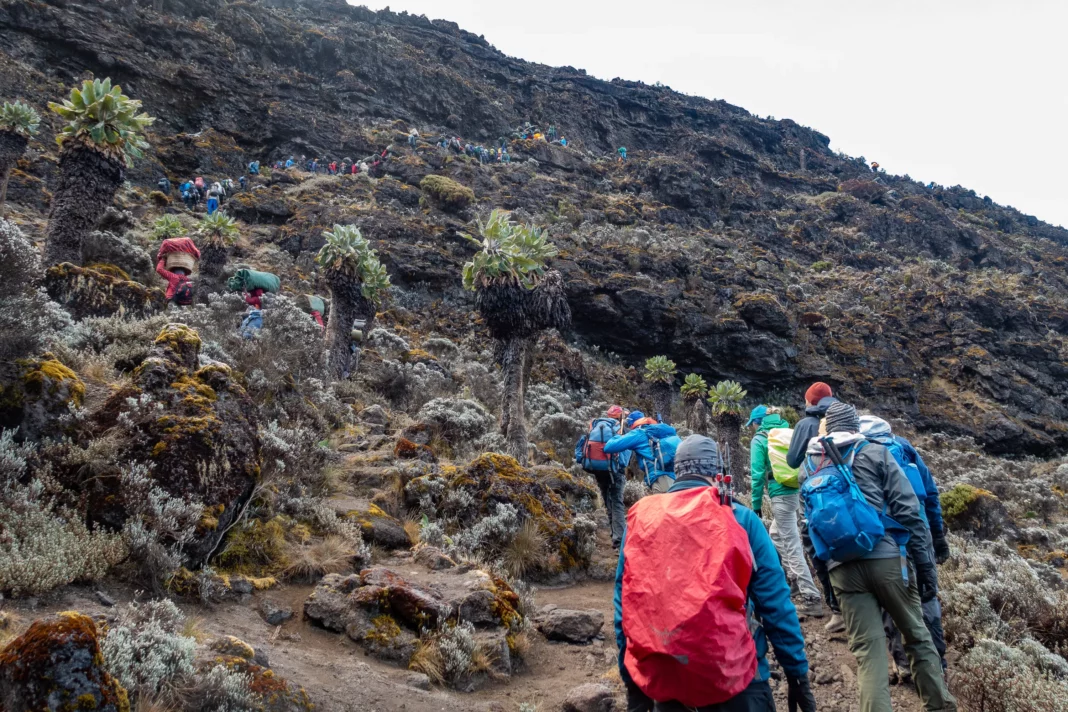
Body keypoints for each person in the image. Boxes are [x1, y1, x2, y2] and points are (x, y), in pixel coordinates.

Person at [616, 435, 816, 712]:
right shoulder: (742, 518)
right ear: (717, 473)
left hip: (666, 677)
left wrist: (633, 681)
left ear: (677, 471)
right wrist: (797, 675)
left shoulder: (640, 521)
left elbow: (625, 605)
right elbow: (775, 605)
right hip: (735, 676)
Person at [800, 403, 956, 712]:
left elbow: (809, 532)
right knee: (916, 635)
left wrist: (829, 586)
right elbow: (911, 513)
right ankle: (940, 706)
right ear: (855, 427)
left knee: (868, 655)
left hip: (841, 569)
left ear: (828, 429)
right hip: (888, 560)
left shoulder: (811, 466)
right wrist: (926, 570)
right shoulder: (876, 453)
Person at [859, 415, 950, 676]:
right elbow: (930, 494)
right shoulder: (906, 449)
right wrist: (938, 534)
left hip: (884, 540)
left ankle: (903, 663)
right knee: (927, 595)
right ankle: (938, 665)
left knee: (890, 599)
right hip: (919, 534)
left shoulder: (857, 456)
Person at [748, 405, 824, 618]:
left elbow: (757, 474)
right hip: (798, 490)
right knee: (776, 535)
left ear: (758, 422)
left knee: (792, 544)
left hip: (780, 494)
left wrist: (755, 506)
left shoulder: (760, 439)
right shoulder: (789, 432)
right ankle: (794, 580)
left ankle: (811, 597)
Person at [575, 405, 631, 548]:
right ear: (620, 416)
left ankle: (614, 534)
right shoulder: (621, 429)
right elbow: (625, 457)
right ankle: (619, 540)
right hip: (615, 471)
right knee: (617, 502)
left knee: (607, 500)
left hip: (598, 470)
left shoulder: (596, 426)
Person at [603, 411, 680, 493]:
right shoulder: (661, 431)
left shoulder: (638, 433)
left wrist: (618, 435)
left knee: (664, 505)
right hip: (677, 477)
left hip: (660, 479)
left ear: (631, 424)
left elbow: (609, 447)